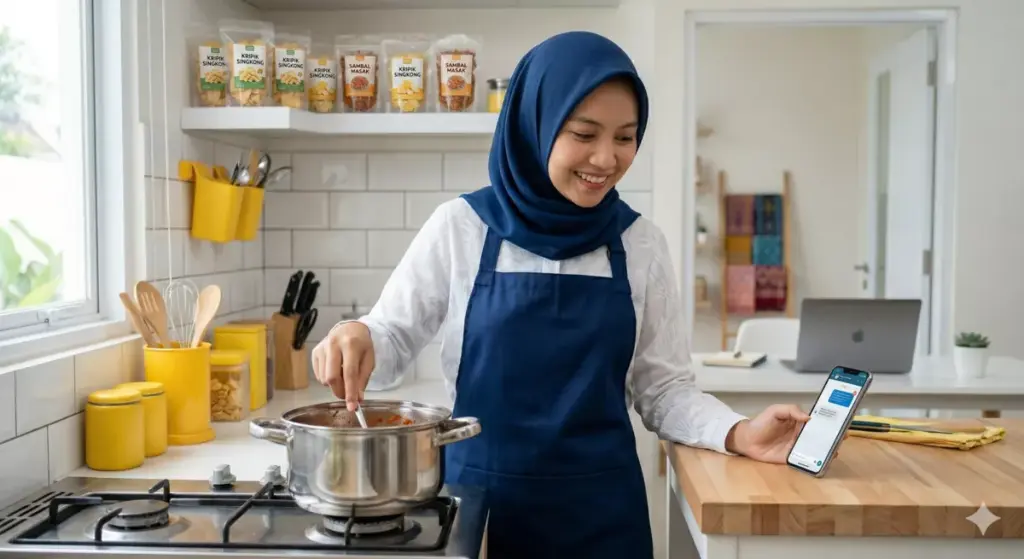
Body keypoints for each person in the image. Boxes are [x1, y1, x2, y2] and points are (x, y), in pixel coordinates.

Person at [312, 31, 811, 559]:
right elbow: (389, 343)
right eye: (583, 133)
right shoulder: (460, 228)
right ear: (536, 124)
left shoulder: (640, 244)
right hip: (479, 512)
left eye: (625, 137)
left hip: (601, 515)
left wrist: (738, 431)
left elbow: (664, 392)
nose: (606, 158)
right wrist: (357, 334)